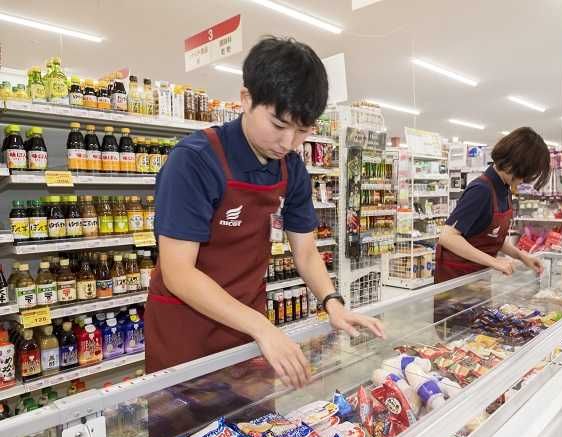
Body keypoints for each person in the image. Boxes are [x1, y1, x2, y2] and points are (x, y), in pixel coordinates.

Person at [145, 36, 385, 390]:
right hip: (186, 326)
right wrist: (262, 328)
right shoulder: (194, 161)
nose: (288, 143)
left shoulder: (292, 169)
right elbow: (179, 272)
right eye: (278, 125)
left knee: (254, 418)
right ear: (246, 99)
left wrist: (333, 302)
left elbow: (305, 252)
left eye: (302, 131)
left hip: (248, 320)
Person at [435, 127, 551, 282]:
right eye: (525, 174)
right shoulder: (481, 190)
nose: (524, 181)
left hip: (477, 277)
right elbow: (447, 237)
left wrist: (521, 256)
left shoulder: (504, 189)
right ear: (512, 164)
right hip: (455, 279)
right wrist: (494, 262)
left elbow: (492, 238)